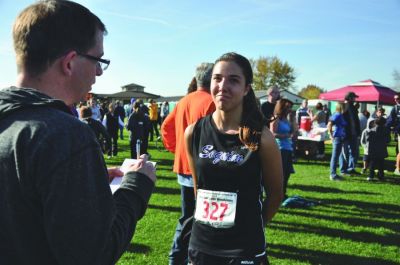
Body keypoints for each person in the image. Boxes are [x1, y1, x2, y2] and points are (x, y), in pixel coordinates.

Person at [0, 1, 156, 264]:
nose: (98, 71)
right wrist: (135, 186)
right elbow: (95, 255)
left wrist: (79, 180)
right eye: (98, 60)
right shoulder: (64, 135)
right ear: (70, 63)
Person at [184, 52, 283, 265]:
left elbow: (276, 194)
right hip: (202, 245)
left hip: (244, 248)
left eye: (234, 80)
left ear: (247, 88)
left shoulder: (261, 138)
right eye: (217, 78)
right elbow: (198, 188)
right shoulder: (194, 132)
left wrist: (253, 224)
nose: (223, 86)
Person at [161, 63, 216, 265]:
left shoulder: (184, 101)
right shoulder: (211, 102)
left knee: (188, 217)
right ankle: (180, 256)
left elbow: (166, 127)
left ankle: (180, 256)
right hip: (203, 169)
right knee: (198, 219)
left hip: (184, 167)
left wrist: (178, 151)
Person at [271, 98, 295, 199]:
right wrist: (285, 136)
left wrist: (293, 119)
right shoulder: (275, 119)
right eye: (287, 107)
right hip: (280, 148)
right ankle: (276, 194)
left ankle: (283, 193)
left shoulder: (286, 119)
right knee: (281, 173)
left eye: (290, 107)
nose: (289, 109)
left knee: (287, 172)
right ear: (282, 107)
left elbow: (293, 131)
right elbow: (272, 134)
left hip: (288, 148)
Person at [340, 92, 361, 175]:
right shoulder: (344, 106)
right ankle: (343, 170)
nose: (355, 99)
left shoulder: (352, 107)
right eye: (354, 98)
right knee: (344, 152)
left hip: (353, 133)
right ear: (350, 98)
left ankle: (351, 168)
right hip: (346, 133)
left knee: (353, 152)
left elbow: (355, 120)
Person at [364, 117, 391, 181]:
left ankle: (371, 176)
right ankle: (381, 176)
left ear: (375, 122)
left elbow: (367, 140)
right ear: (384, 123)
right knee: (381, 164)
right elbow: (388, 140)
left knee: (372, 163)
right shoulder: (386, 130)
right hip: (382, 149)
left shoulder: (371, 131)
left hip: (373, 149)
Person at [327, 103, 347, 180]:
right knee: (335, 157)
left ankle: (334, 173)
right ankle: (332, 175)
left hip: (340, 137)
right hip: (337, 137)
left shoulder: (340, 115)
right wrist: (331, 135)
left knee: (337, 156)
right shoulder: (337, 115)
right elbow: (329, 124)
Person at [386, 92, 400, 175]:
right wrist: (385, 127)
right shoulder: (395, 108)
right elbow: (390, 120)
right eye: (394, 99)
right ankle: (397, 168)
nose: (395, 100)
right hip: (399, 132)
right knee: (399, 150)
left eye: (397, 98)